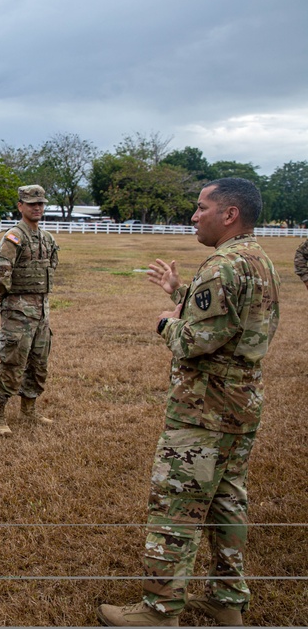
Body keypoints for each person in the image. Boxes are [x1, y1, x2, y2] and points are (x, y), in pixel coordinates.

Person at [98, 178, 280, 627]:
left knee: (176, 505)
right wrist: (180, 293)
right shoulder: (259, 260)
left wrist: (166, 323)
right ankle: (227, 600)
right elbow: (233, 323)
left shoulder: (221, 266)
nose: (194, 215)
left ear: (230, 214)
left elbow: (196, 340)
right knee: (226, 502)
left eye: (202, 207)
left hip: (204, 410)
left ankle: (160, 612)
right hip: (240, 405)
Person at [0, 185, 59, 436]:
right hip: (18, 312)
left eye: (40, 203)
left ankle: (29, 409)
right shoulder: (14, 237)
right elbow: (1, 271)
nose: (37, 207)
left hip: (41, 313)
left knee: (38, 363)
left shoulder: (47, 238)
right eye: (31, 204)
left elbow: (52, 268)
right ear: (20, 206)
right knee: (12, 362)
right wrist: (10, 298)